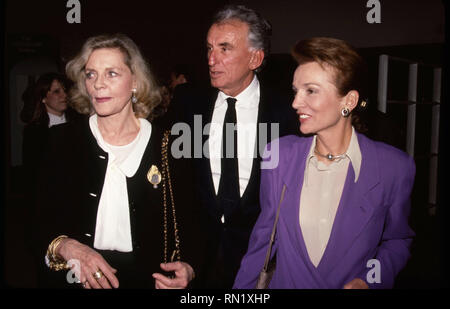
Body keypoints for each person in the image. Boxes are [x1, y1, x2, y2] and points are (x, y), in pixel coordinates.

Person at [233, 37, 416, 289]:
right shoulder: (278, 155)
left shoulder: (394, 167)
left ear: (348, 102)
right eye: (296, 91)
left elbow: (397, 240)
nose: (296, 102)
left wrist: (369, 280)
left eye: (310, 90)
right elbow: (263, 240)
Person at [33, 33, 205, 289]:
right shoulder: (60, 141)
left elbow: (197, 221)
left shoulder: (170, 145)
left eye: (111, 73)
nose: (98, 84)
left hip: (149, 281)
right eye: (90, 74)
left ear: (135, 81)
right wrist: (66, 246)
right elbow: (35, 222)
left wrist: (190, 267)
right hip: (77, 281)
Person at [180, 5, 299, 288]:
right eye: (209, 48)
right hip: (195, 259)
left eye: (224, 49)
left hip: (260, 261)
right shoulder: (187, 104)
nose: (211, 59)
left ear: (255, 58)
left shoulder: (288, 113)